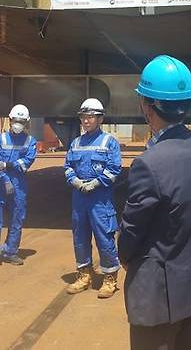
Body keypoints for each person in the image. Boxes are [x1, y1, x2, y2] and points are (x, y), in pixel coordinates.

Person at [119, 55, 191, 350]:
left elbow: (132, 232)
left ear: (148, 108)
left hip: (158, 299)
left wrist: (125, 255)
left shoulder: (149, 163)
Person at [64, 98, 122, 298]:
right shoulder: (76, 143)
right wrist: (76, 182)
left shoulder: (109, 142)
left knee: (104, 237)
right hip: (79, 197)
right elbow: (68, 167)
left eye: (90, 117)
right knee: (80, 237)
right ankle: (84, 274)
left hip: (100, 199)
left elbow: (114, 169)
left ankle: (110, 278)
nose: (86, 121)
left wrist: (96, 183)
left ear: (100, 119)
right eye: (83, 117)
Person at [0, 104, 38, 270]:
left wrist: (7, 164)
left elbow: (26, 163)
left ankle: (11, 251)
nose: (18, 123)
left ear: (27, 122)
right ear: (10, 120)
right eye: (16, 120)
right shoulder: (0, 139)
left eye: (21, 121)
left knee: (17, 218)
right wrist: (6, 178)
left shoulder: (31, 142)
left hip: (19, 185)